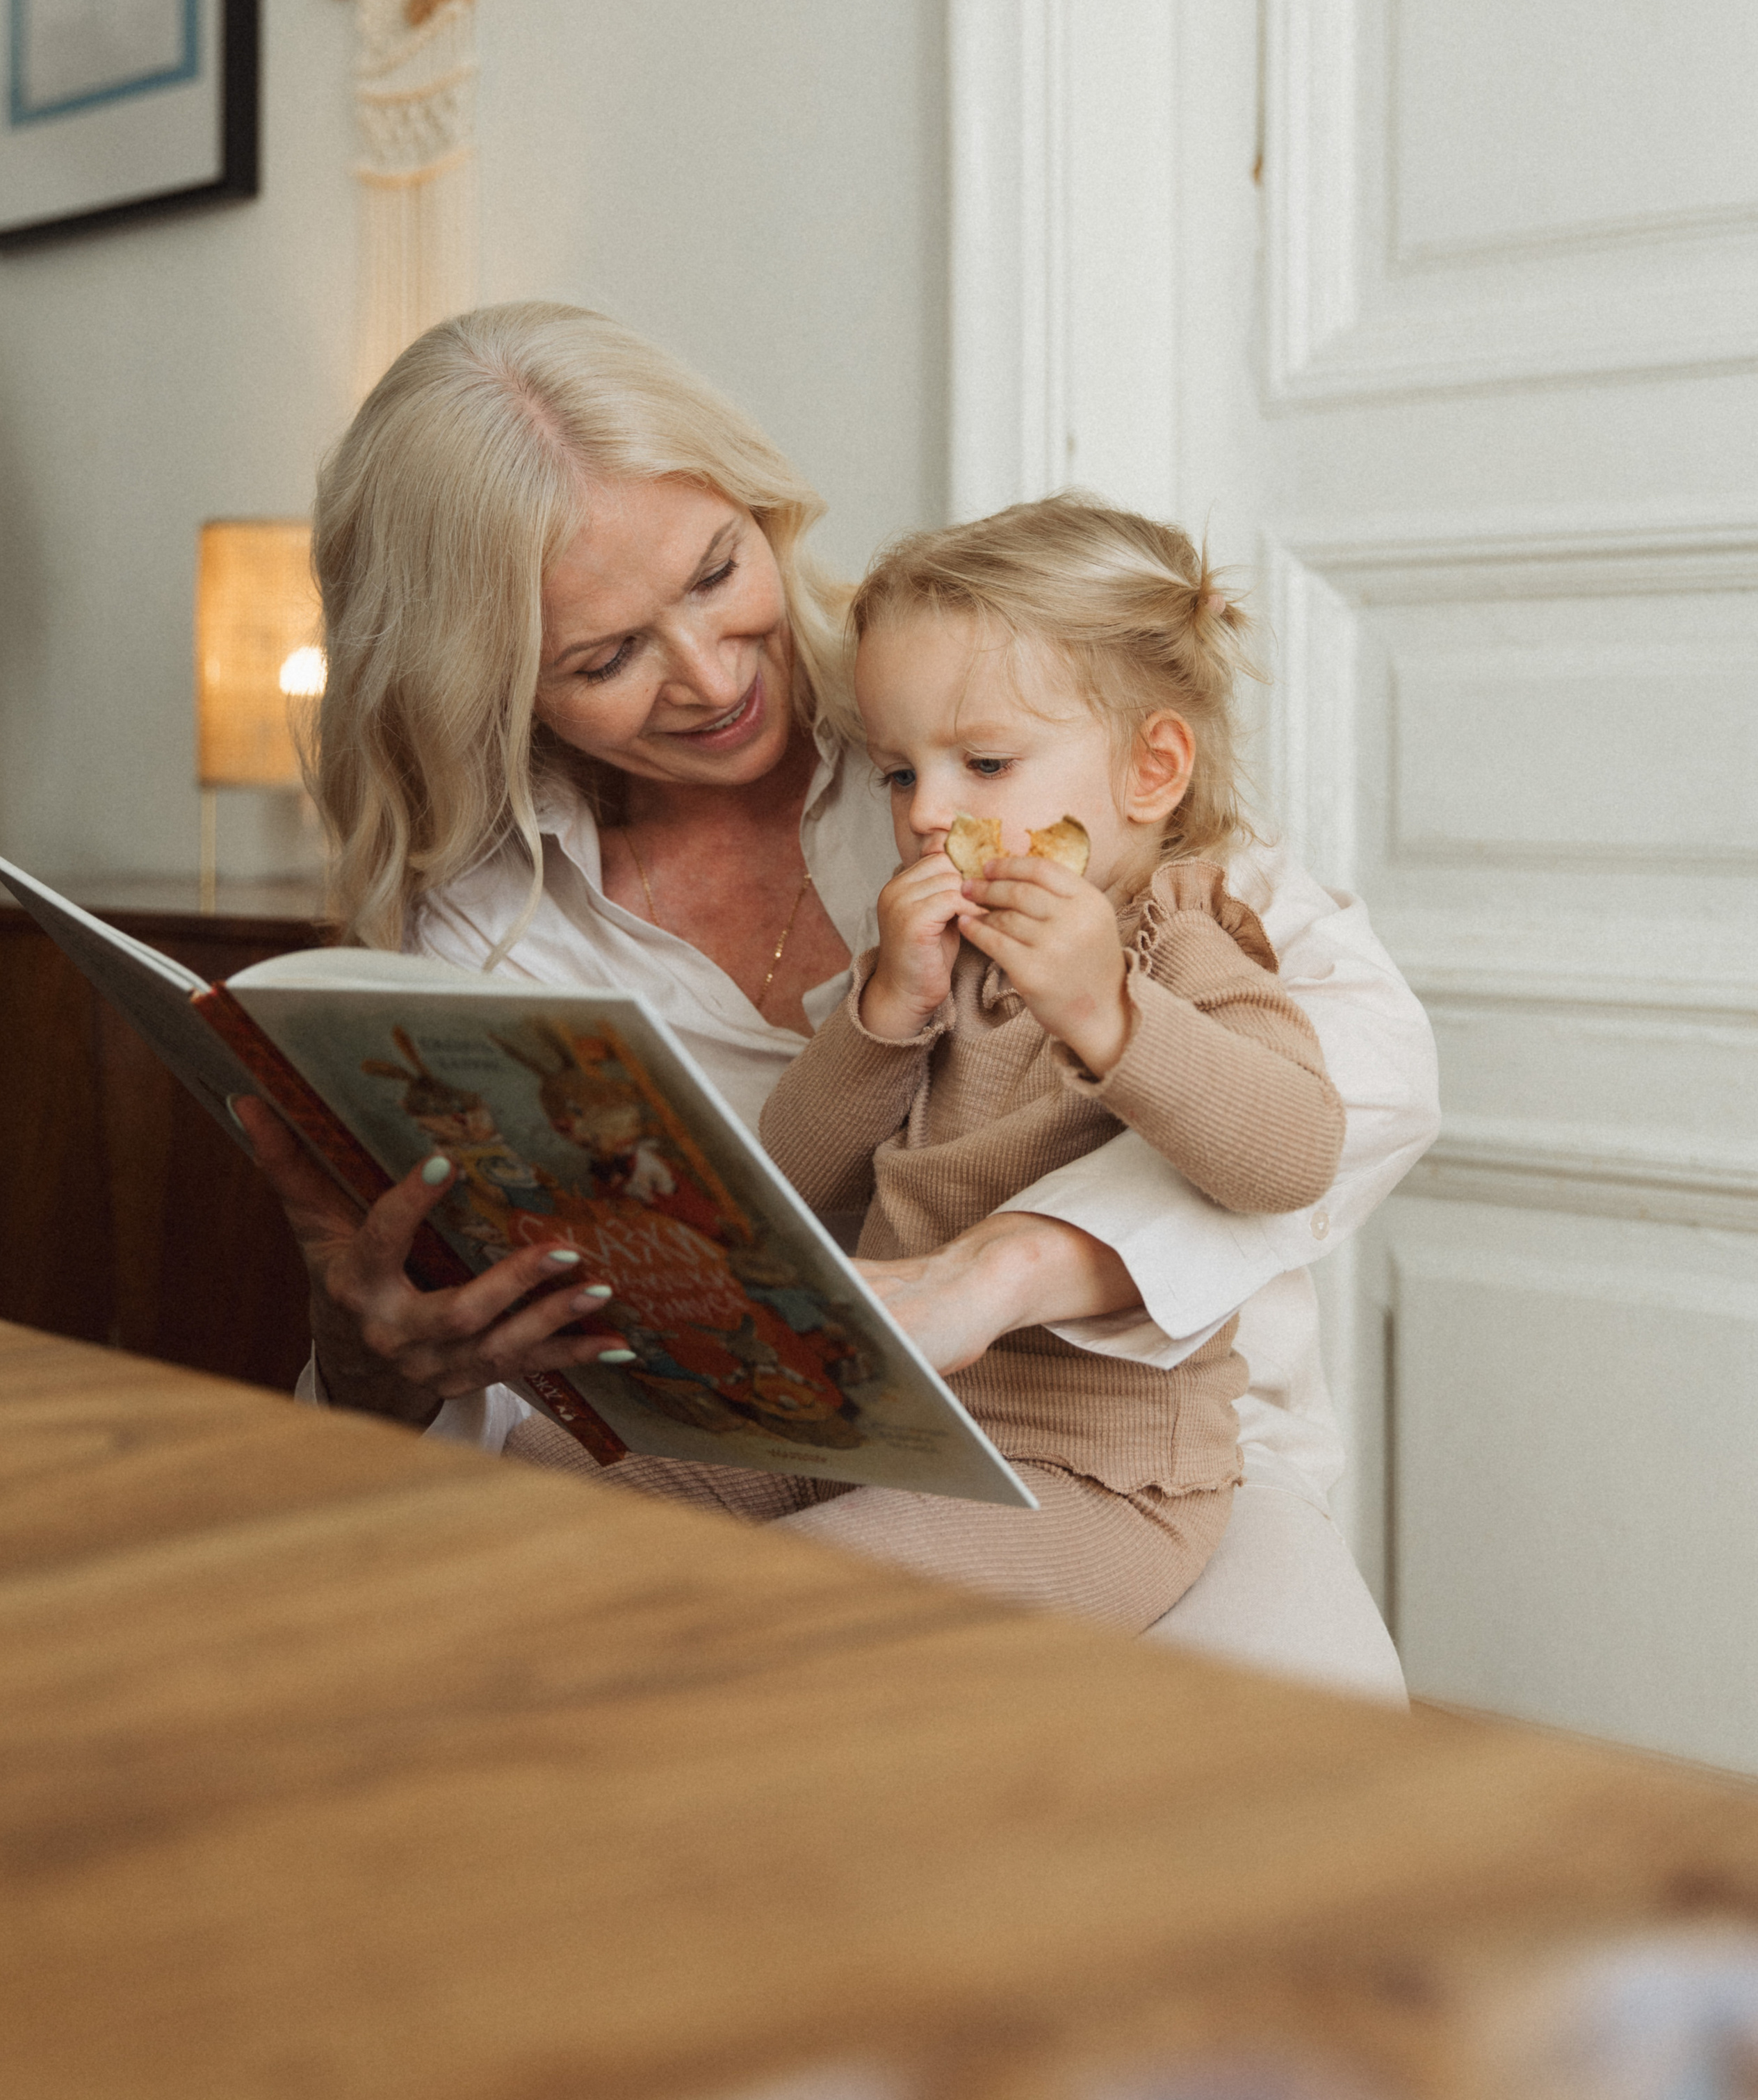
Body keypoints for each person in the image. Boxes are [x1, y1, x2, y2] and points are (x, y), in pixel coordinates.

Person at [238, 304, 1438, 1670]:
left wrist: (1019, 1256)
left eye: (713, 572)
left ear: (761, 514)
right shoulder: (485, 930)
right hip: (798, 1419)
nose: (707, 678)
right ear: (497, 684)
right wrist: (373, 1344)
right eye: (604, 656)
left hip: (1108, 1450)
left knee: (752, 1629)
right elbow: (758, 1196)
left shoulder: (974, 707)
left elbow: (1357, 1086)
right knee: (524, 1582)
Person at [749, 499, 1344, 1627]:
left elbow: (1295, 1152)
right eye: (897, 773)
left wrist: (1107, 1011)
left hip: (1090, 1477)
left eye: (983, 762)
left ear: (1152, 769)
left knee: (790, 1598)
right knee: (544, 1467)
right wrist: (884, 1012)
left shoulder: (1178, 945)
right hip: (877, 1423)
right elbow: (788, 1185)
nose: (929, 814)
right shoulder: (928, 965)